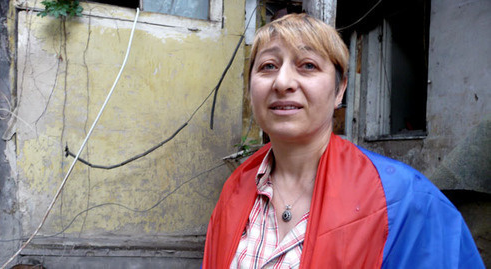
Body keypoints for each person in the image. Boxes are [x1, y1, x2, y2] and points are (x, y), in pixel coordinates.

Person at [202, 13, 484, 268]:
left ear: (340, 90)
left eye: (308, 65)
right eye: (268, 66)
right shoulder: (236, 189)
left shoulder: (405, 200)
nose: (282, 82)